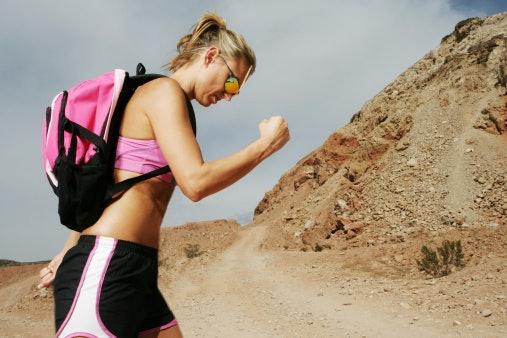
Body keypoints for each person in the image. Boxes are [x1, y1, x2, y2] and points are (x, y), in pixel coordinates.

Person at [37, 11, 290, 338]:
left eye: (237, 90)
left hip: (134, 269)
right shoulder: (163, 92)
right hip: (107, 266)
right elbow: (195, 182)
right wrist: (265, 145)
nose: (230, 95)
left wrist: (67, 249)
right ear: (211, 57)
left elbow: (108, 187)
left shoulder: (168, 103)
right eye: (231, 81)